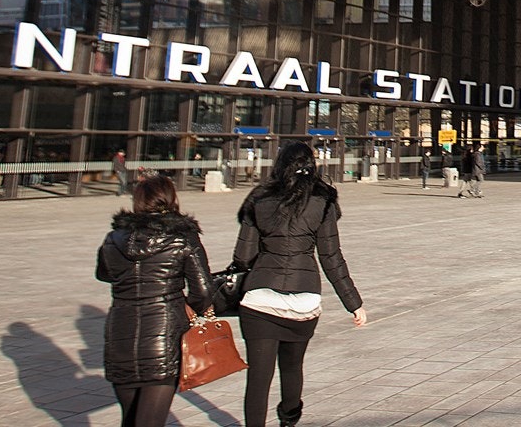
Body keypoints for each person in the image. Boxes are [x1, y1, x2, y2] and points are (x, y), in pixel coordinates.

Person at [233, 142, 367, 427]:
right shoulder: (323, 199)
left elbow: (242, 257)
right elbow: (331, 257)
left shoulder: (259, 198)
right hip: (303, 298)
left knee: (258, 376)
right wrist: (353, 303)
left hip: (259, 299)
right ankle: (289, 420)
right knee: (292, 367)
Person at [95, 173, 214, 427]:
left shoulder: (113, 238)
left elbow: (104, 274)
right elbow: (203, 292)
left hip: (121, 335)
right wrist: (189, 311)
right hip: (164, 337)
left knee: (130, 419)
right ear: (171, 199)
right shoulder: (183, 238)